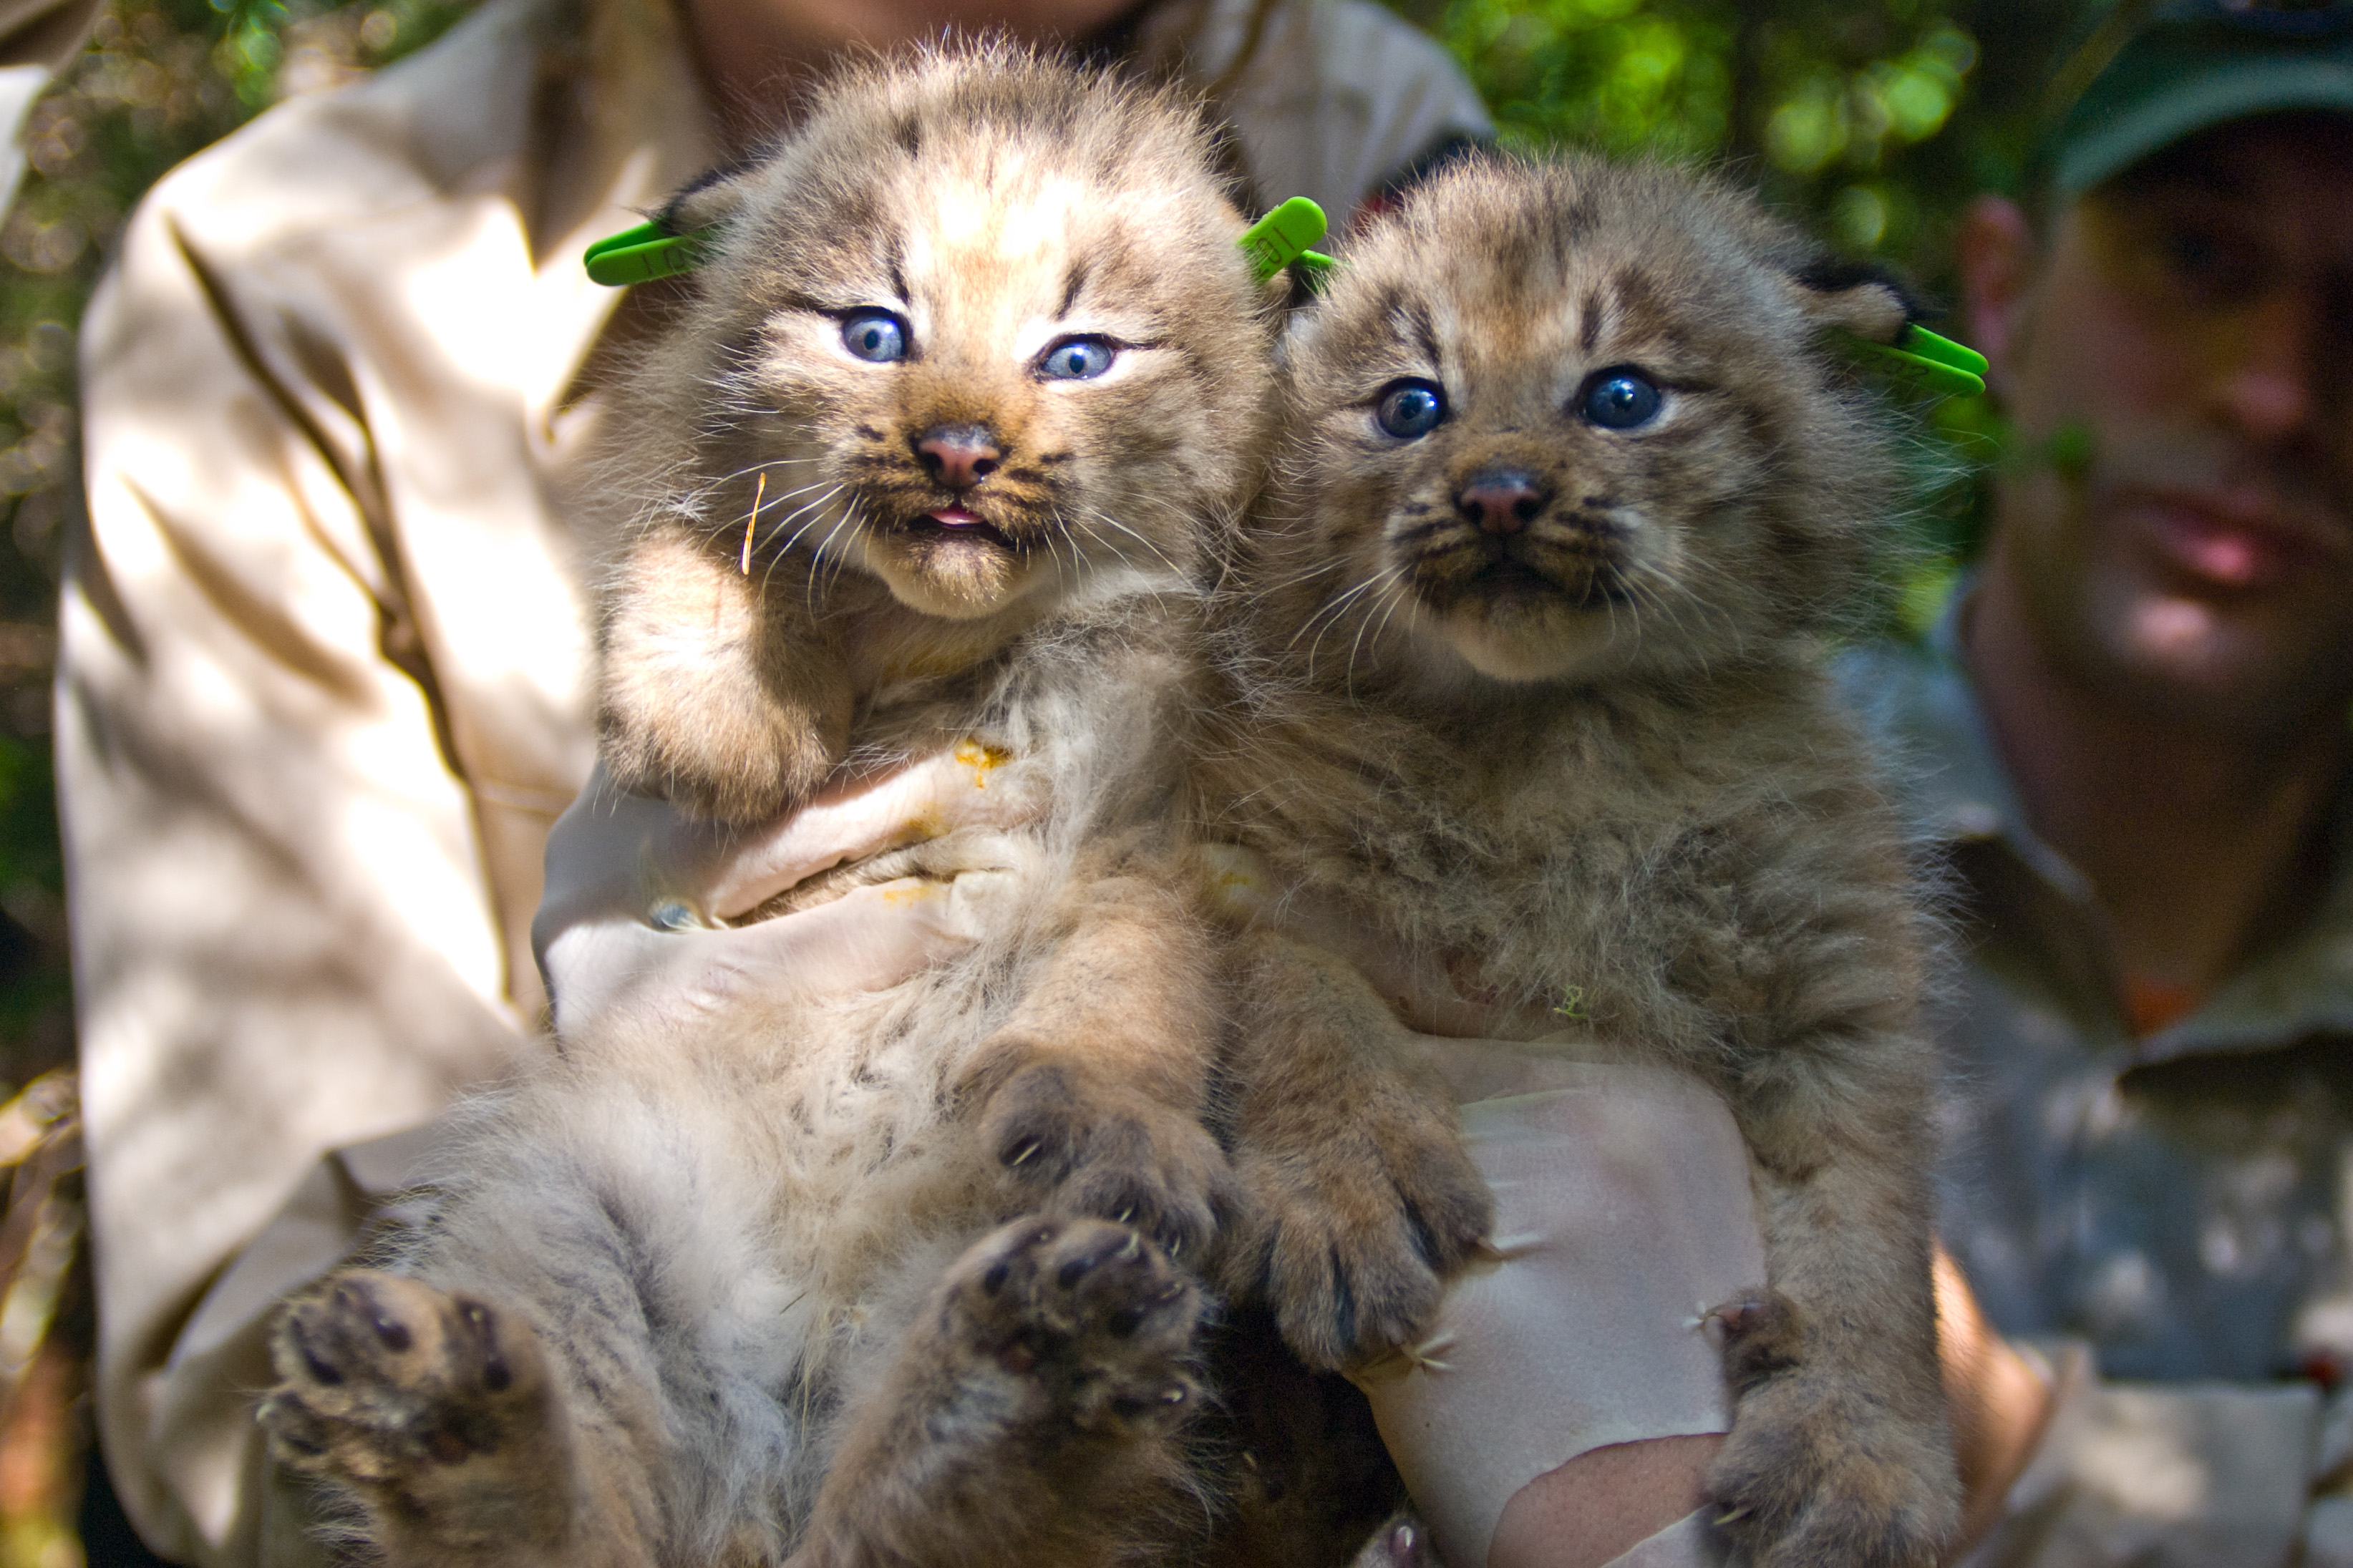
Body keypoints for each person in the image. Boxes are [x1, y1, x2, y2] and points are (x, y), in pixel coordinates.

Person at [51, 0, 1491, 1557]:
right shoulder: (281, 263)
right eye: (874, 332)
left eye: (1073, 354)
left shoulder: (1371, 113)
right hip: (642, 1304)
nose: (961, 432)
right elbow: (238, 1351)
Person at [1845, 4, 2353, 1562]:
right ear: (2000, 292)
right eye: (2197, 260)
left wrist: (2001, 1440)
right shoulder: (1636, 822)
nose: (2274, 395)